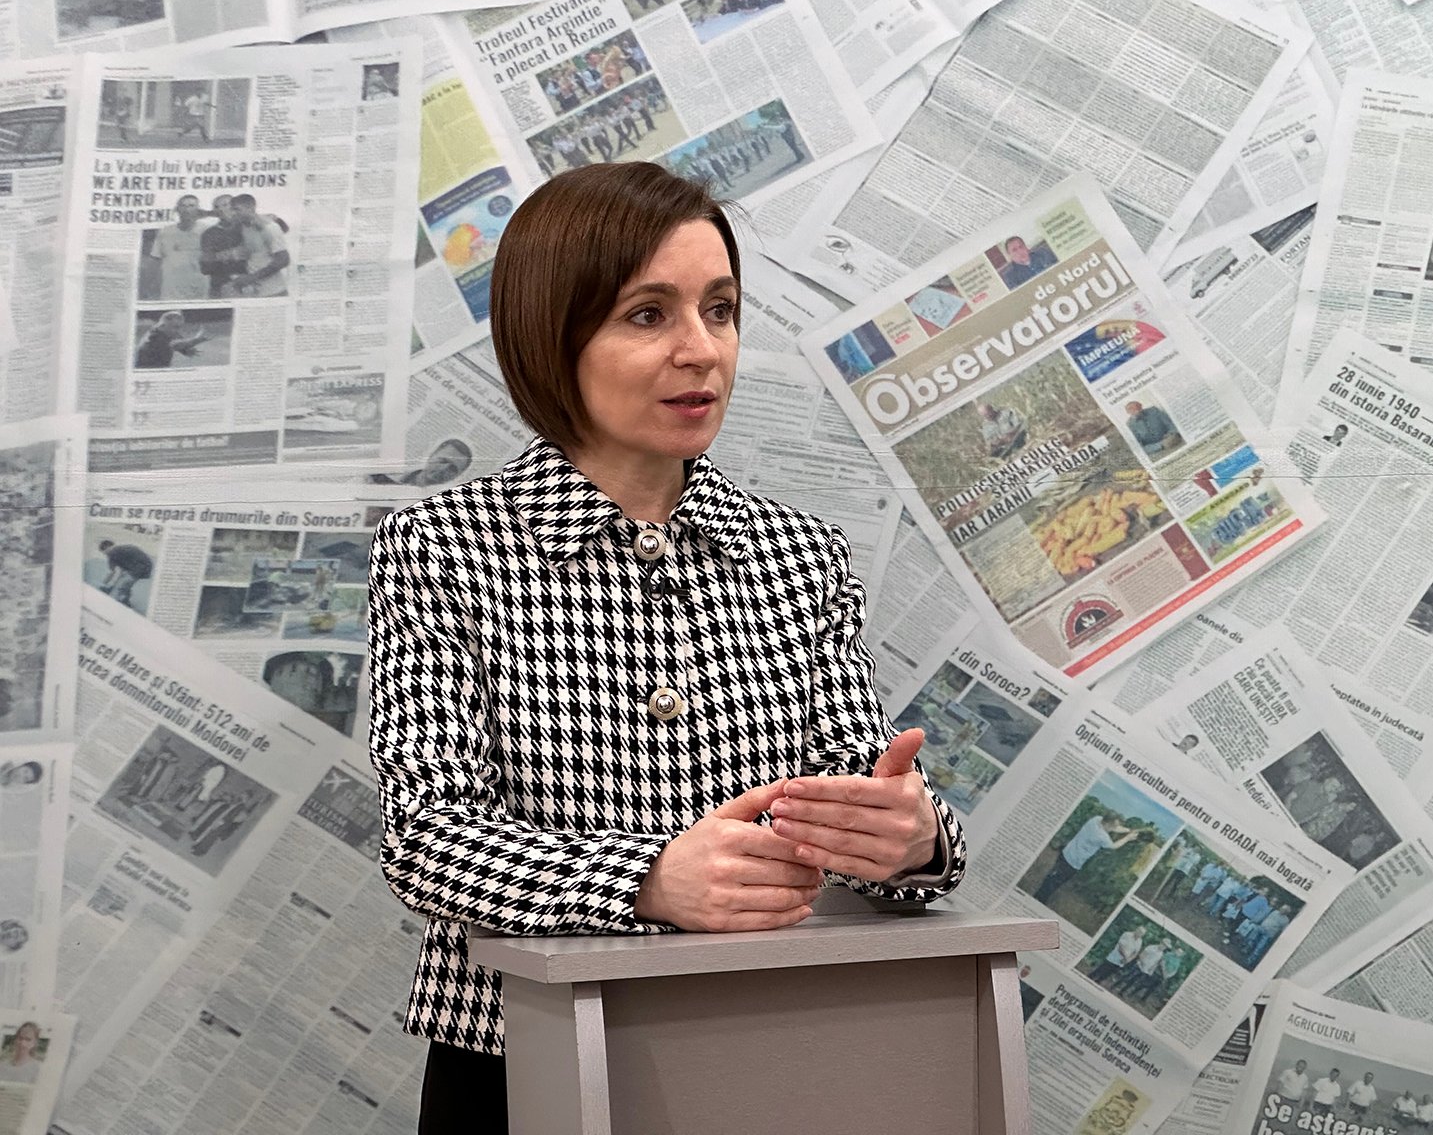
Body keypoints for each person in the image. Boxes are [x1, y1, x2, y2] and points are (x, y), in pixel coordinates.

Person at [366, 163, 966, 1133]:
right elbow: (427, 837)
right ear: (552, 336)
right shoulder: (442, 549)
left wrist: (912, 840)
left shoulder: (800, 555)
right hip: (519, 1056)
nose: (702, 349)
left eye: (719, 310)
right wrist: (644, 879)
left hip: (771, 1050)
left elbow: (863, 803)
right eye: (648, 315)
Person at [1036, 813, 1138, 900]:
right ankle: (1039, 899)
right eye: (1113, 826)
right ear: (1107, 824)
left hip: (1066, 852)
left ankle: (1039, 894)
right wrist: (1128, 838)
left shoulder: (1096, 819)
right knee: (1054, 883)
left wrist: (1128, 830)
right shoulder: (1102, 837)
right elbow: (1113, 846)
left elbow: (1115, 828)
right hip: (1072, 863)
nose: (1114, 829)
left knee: (1052, 875)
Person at [150, 194, 215, 299]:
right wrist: (154, 287)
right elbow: (156, 260)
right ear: (177, 209)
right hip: (171, 292)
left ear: (198, 210)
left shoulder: (208, 231)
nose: (187, 210)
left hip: (199, 290)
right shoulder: (165, 232)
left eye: (191, 206)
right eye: (183, 206)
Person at [228, 194, 290, 296]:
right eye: (231, 209)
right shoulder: (242, 226)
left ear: (250, 208)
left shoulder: (269, 227)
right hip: (254, 292)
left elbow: (283, 260)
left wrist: (252, 278)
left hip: (274, 291)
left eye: (237, 209)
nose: (233, 213)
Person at [134, 311, 208, 369]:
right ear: (162, 325)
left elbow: (179, 343)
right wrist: (197, 339)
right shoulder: (154, 337)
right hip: (147, 373)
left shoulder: (165, 331)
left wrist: (184, 350)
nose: (178, 331)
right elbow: (177, 344)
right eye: (175, 327)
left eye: (179, 327)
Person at [97, 538, 154, 605]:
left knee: (123, 585)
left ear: (106, 548)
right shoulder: (121, 549)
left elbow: (114, 572)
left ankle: (122, 600)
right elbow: (117, 571)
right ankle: (124, 597)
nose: (105, 554)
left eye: (103, 552)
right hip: (146, 565)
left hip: (138, 568)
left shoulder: (112, 553)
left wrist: (104, 584)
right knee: (125, 581)